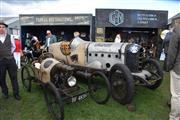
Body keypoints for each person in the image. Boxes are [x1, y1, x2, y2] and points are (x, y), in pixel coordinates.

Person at [0, 21, 21, 100]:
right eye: (0, 27)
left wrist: (9, 53)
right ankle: (5, 93)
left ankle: (16, 94)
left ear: (5, 28)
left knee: (14, 77)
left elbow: (13, 47)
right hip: (1, 61)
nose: (1, 29)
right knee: (1, 78)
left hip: (10, 60)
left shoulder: (10, 37)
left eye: (3, 27)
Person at [166, 24, 180, 120]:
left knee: (176, 95)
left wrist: (169, 66)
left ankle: (174, 117)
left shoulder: (177, 30)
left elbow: (172, 51)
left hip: (178, 68)